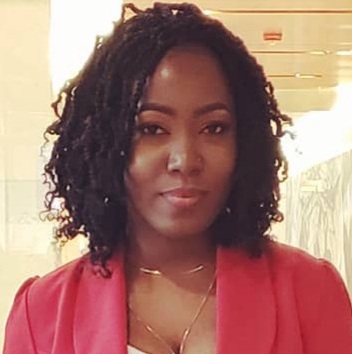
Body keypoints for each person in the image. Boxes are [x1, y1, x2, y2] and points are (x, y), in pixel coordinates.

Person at [3, 3, 352, 354]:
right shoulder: (42, 313)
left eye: (214, 128)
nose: (185, 159)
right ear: (106, 143)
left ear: (244, 143)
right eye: (152, 129)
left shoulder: (308, 291)